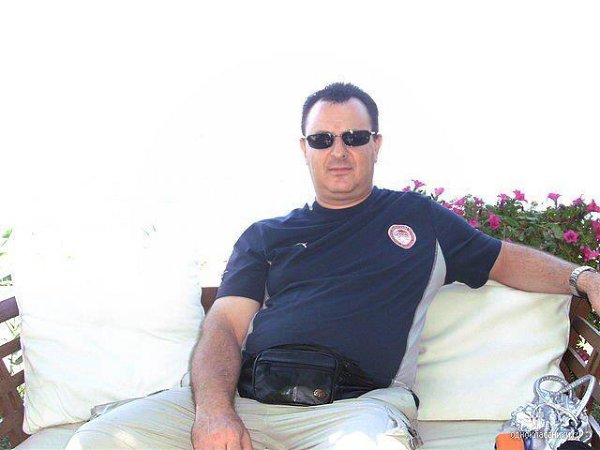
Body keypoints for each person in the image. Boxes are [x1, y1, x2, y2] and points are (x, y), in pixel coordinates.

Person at [66, 83, 600, 450]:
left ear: (376, 144)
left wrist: (582, 277)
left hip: (356, 408)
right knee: (96, 441)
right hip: (248, 398)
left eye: (354, 137)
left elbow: (503, 259)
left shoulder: (419, 219)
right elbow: (224, 326)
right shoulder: (265, 235)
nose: (338, 150)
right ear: (305, 149)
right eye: (323, 139)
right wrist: (214, 412)